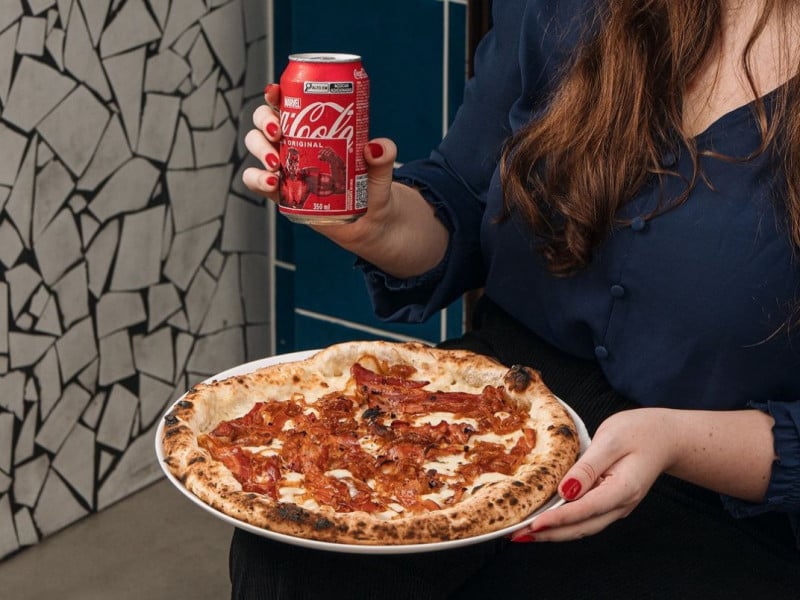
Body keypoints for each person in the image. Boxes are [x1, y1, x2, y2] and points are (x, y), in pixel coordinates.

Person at [237, 0, 800, 597]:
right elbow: (464, 191)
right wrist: (376, 223)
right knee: (291, 562)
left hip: (731, 482)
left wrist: (677, 440)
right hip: (497, 402)